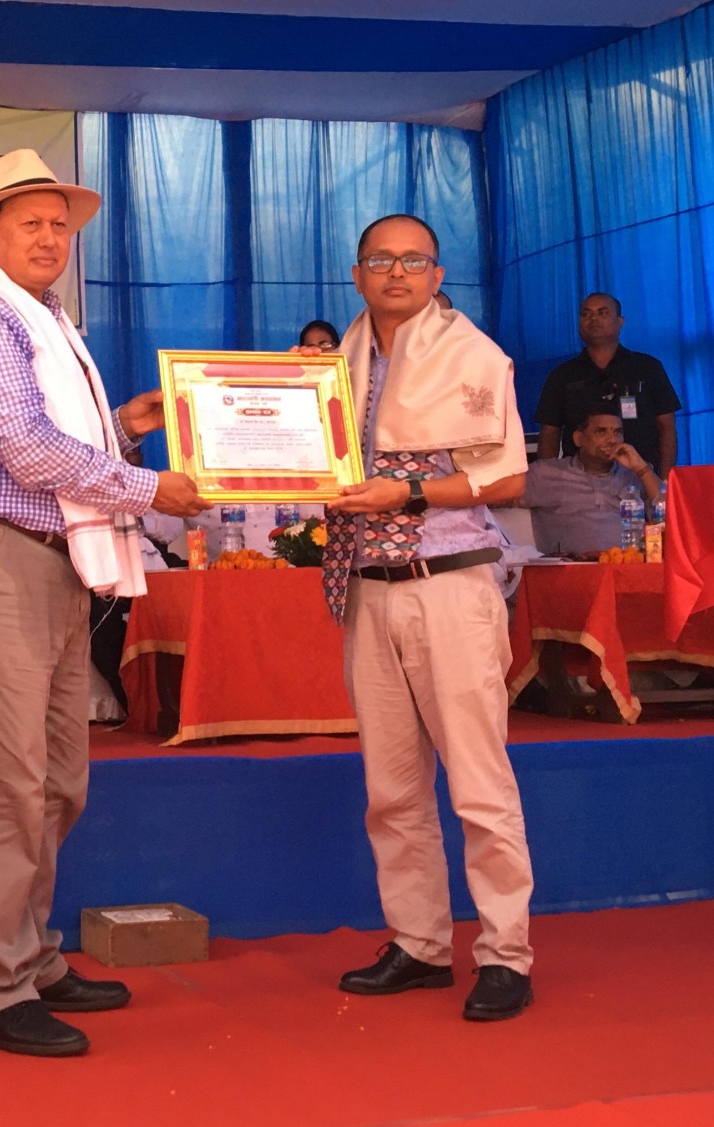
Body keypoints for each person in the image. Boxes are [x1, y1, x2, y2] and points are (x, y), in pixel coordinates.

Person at [0, 149, 207, 1058]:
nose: (49, 238)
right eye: (29, 223)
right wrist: (148, 485)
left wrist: (121, 428)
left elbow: (55, 439)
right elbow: (32, 454)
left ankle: (33, 956)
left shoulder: (41, 320)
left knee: (55, 777)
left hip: (53, 559)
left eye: (59, 225)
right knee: (7, 781)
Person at [319, 214, 535, 1022]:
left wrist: (406, 490)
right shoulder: (340, 361)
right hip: (368, 584)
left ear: (438, 274)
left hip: (450, 582)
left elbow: (507, 479)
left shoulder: (473, 354)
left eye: (415, 260)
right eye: (382, 259)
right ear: (357, 272)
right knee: (392, 788)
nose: (398, 272)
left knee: (479, 781)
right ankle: (418, 942)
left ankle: (506, 952)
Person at [534, 293, 681, 475]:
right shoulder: (562, 375)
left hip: (641, 478)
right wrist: (547, 479)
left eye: (602, 313)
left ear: (620, 322)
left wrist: (665, 483)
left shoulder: (648, 368)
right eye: (586, 314)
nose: (593, 319)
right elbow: (550, 433)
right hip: (579, 484)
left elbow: (667, 427)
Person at [523, 403, 660, 556]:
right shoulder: (546, 473)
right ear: (578, 438)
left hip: (628, 569)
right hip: (571, 572)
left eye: (618, 432)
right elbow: (498, 494)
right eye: (601, 432)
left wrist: (641, 468)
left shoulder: (633, 475)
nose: (612, 440)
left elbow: (672, 516)